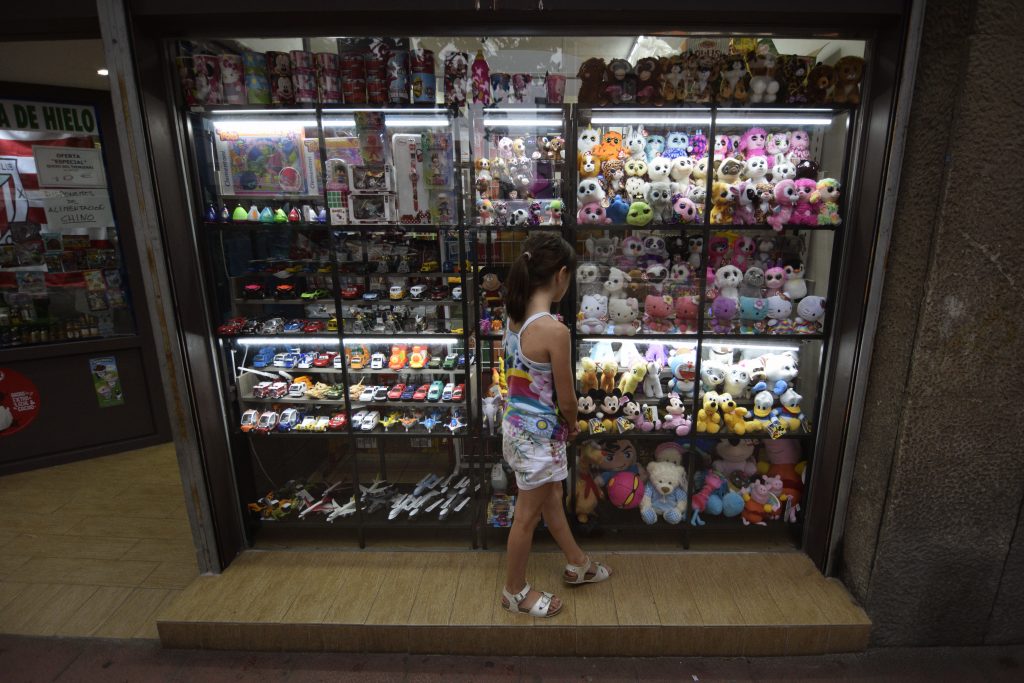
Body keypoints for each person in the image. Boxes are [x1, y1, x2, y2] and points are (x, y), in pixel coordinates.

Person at [500, 231, 611, 618]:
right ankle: (514, 591)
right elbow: (566, 398)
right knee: (527, 518)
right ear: (562, 275)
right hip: (540, 438)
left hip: (515, 430)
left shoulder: (513, 316)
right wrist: (575, 424)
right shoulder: (555, 330)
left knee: (550, 503)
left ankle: (577, 562)